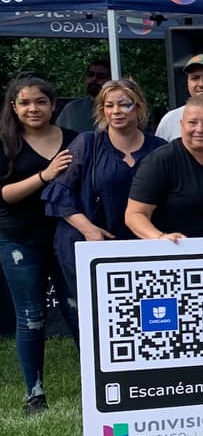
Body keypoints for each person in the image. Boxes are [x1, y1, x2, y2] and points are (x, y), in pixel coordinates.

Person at [44, 79, 165, 299]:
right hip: (89, 241)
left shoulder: (159, 148)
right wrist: (90, 230)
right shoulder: (87, 143)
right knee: (96, 313)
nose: (116, 111)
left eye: (124, 104)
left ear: (138, 107)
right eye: (109, 106)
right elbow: (60, 194)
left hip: (142, 242)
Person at [0, 75, 76, 415]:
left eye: (40, 102)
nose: (33, 108)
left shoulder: (75, 140)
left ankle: (98, 381)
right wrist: (45, 175)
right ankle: (35, 394)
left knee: (78, 312)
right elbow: (5, 195)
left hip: (65, 238)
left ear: (53, 104)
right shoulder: (5, 143)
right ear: (14, 107)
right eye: (25, 102)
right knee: (31, 317)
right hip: (20, 240)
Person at [126, 94, 203, 242]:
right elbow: (134, 215)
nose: (199, 129)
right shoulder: (161, 160)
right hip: (175, 255)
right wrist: (160, 238)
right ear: (182, 125)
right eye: (192, 123)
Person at [54, 58, 110, 133]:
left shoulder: (117, 109)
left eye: (100, 76)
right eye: (90, 75)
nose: (94, 79)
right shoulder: (71, 109)